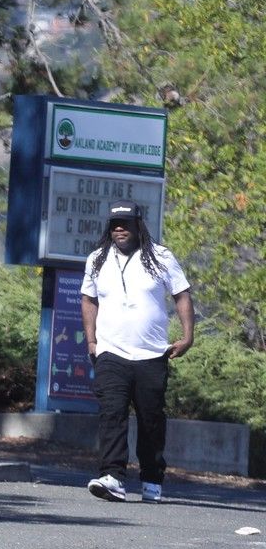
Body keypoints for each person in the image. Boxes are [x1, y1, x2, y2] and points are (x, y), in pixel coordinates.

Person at [82, 202, 193, 503]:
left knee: (150, 419)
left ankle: (152, 479)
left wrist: (187, 336)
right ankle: (113, 477)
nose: (120, 229)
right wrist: (91, 341)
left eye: (126, 223)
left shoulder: (161, 257)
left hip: (151, 354)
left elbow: (181, 295)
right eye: (115, 223)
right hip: (111, 352)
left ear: (138, 226)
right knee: (112, 413)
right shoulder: (97, 259)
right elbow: (89, 299)